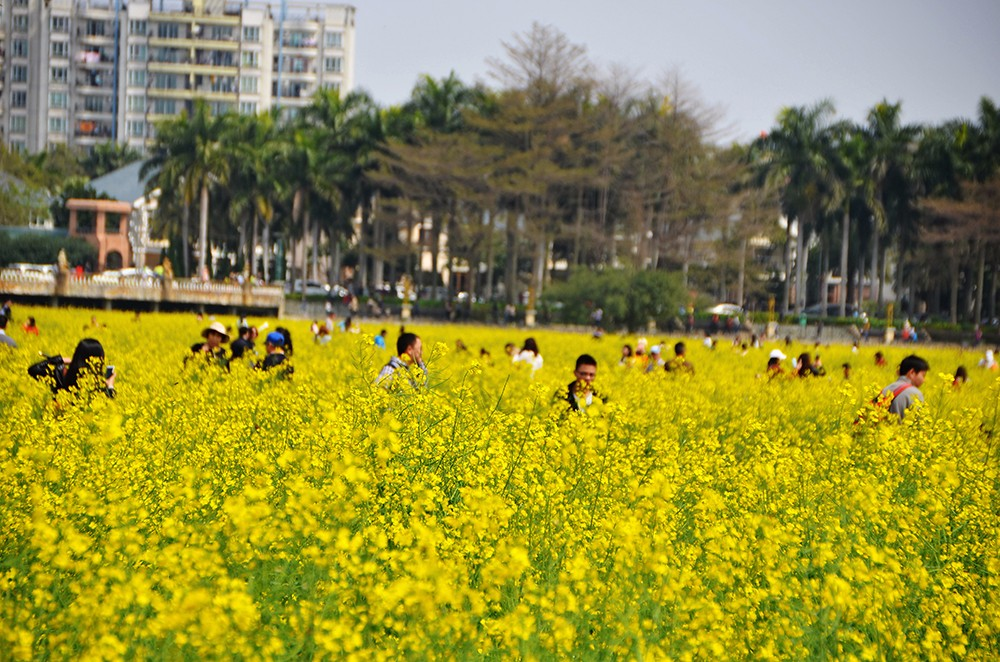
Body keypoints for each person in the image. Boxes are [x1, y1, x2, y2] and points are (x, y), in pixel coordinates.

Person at [28, 338, 115, 398]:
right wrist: (110, 386)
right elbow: (111, 408)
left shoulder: (60, 372)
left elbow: (33, 369)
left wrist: (60, 359)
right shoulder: (97, 382)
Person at [879, 355, 929, 420]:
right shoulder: (915, 393)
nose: (924, 380)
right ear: (912, 372)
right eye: (923, 375)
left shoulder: (886, 389)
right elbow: (919, 422)